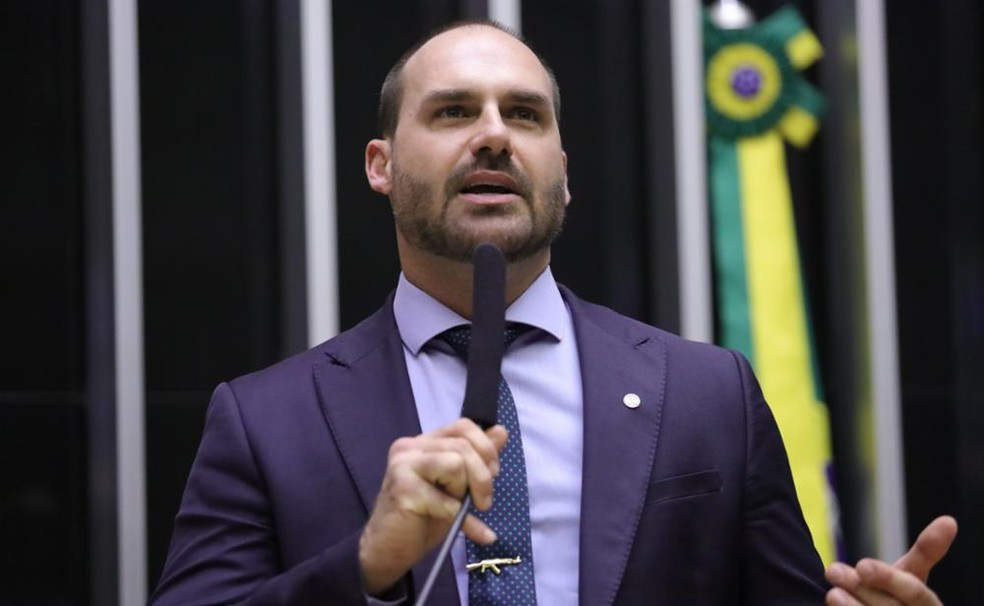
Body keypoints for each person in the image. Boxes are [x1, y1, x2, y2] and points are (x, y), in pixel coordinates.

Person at [151, 20, 956, 605]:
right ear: (381, 166)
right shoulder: (264, 420)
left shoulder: (709, 393)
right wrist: (365, 566)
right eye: (454, 112)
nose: (495, 136)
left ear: (562, 175)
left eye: (524, 114)